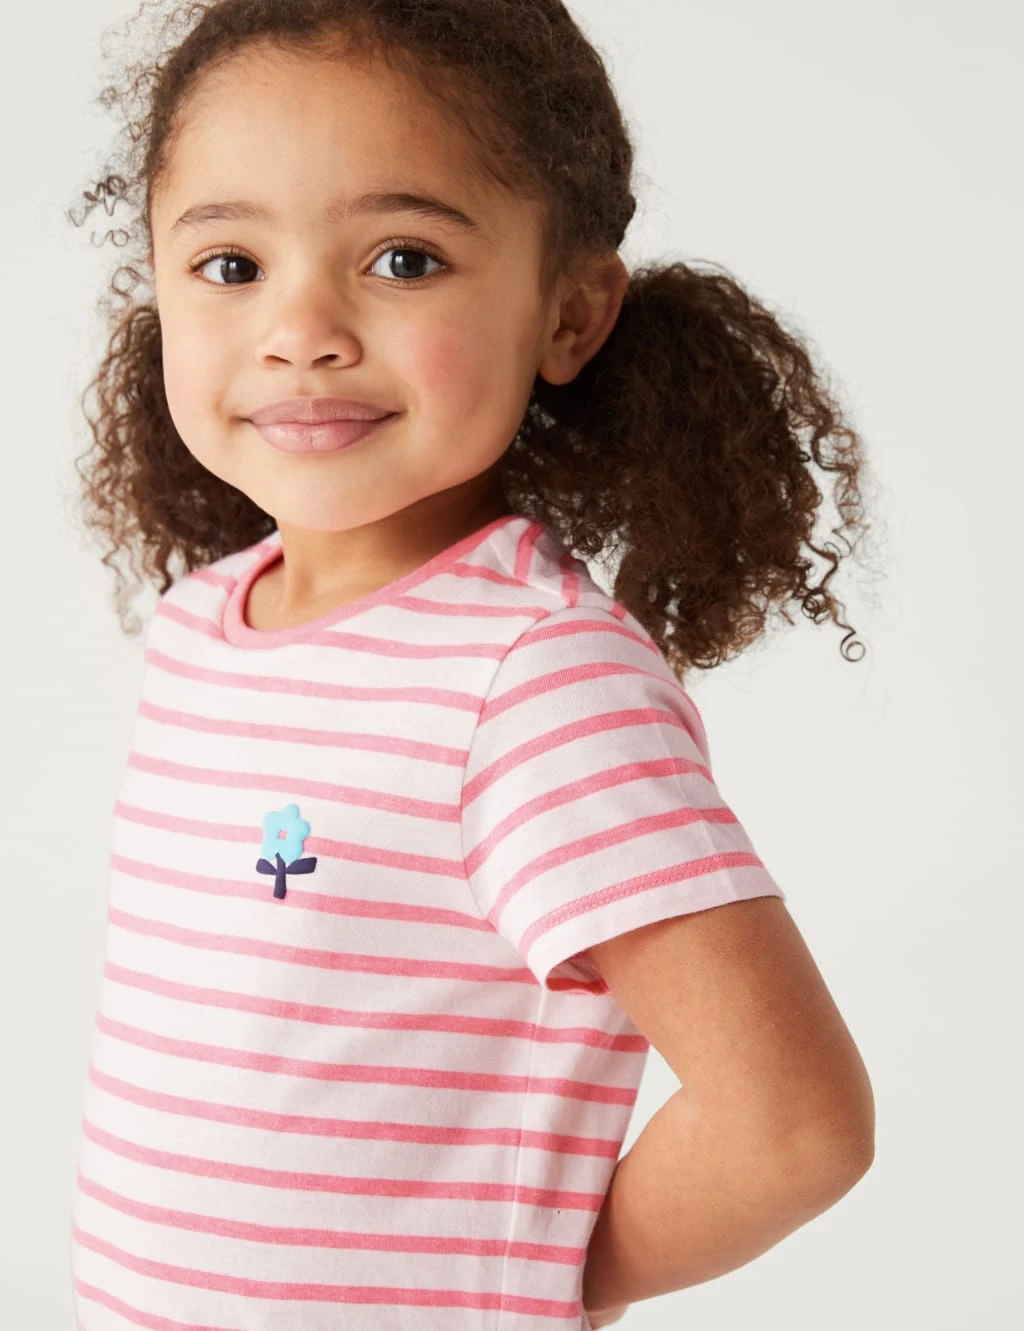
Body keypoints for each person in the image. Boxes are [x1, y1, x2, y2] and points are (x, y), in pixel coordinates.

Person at [65, 2, 877, 1328]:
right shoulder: (200, 626)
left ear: (570, 314)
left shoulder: (534, 680)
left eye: (403, 258)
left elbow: (792, 1125)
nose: (301, 328)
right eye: (230, 264)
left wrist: (526, 1278)